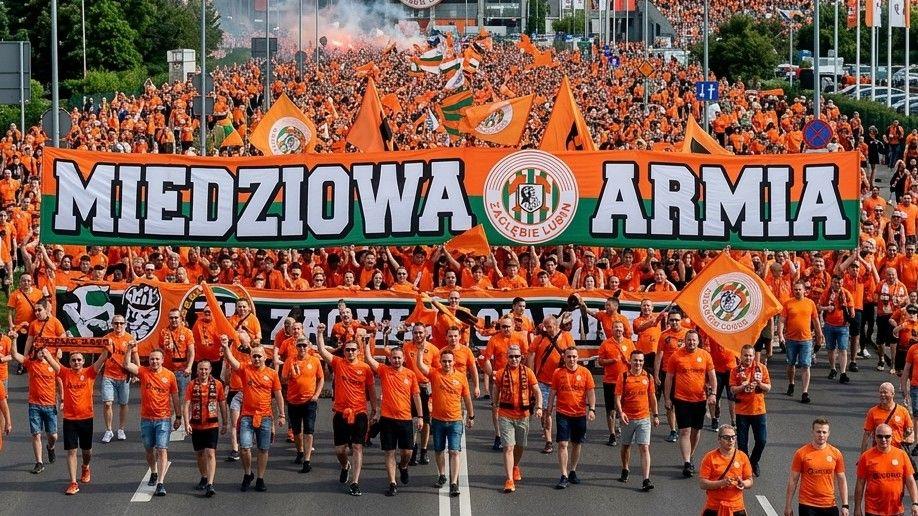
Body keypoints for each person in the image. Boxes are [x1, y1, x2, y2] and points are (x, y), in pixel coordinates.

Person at [316, 323, 377, 497]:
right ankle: (345, 466)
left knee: (357, 447)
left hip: (359, 413)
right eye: (347, 350)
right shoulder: (338, 363)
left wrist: (375, 409)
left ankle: (355, 482)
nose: (350, 352)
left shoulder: (365, 369)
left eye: (353, 350)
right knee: (340, 450)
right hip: (341, 413)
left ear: (358, 351)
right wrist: (319, 333)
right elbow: (322, 351)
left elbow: (372, 391)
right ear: (344, 351)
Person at [362, 332, 423, 497]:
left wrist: (421, 417)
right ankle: (392, 483)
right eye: (393, 357)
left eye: (399, 358)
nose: (396, 360)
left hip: (405, 419)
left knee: (407, 453)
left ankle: (403, 467)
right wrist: (366, 343)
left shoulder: (410, 375)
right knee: (389, 452)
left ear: (403, 359)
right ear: (389, 359)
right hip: (387, 420)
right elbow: (368, 359)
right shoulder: (384, 370)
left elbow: (416, 395)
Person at [43, 346, 109, 495]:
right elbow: (51, 360)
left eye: (79, 360)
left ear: (83, 361)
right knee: (71, 451)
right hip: (69, 419)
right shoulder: (65, 373)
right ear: (70, 362)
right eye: (73, 360)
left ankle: (85, 466)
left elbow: (103, 357)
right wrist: (45, 349)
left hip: (86, 418)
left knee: (87, 451)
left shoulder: (90, 372)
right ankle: (73, 482)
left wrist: (106, 347)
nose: (76, 362)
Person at [222, 337, 285, 493]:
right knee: (244, 448)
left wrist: (282, 415)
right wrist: (225, 347)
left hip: (265, 417)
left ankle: (260, 478)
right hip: (247, 416)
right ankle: (248, 473)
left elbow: (278, 395)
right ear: (251, 357)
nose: (256, 358)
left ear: (265, 357)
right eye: (254, 356)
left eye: (259, 356)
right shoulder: (246, 369)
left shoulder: (272, 374)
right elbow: (232, 361)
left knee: (263, 449)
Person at [416, 341, 475, 498]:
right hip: (438, 420)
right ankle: (442, 474)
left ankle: (454, 482)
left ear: (454, 362)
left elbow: (467, 398)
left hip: (455, 420)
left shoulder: (461, 377)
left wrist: (471, 415)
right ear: (440, 362)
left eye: (449, 361)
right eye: (444, 361)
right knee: (439, 450)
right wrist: (421, 352)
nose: (447, 364)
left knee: (455, 451)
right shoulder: (435, 374)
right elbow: (421, 367)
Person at [122, 344, 181, 497]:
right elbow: (127, 364)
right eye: (151, 359)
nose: (154, 362)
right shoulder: (143, 372)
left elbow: (175, 396)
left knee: (161, 449)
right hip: (146, 418)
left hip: (163, 418)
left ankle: (160, 483)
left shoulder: (169, 376)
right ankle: (153, 472)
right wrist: (129, 349)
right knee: (149, 448)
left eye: (157, 359)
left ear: (162, 360)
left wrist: (179, 417)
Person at [664, 330, 717, 478]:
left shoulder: (705, 355)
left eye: (694, 340)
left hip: (700, 399)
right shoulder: (676, 356)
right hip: (681, 399)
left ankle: (691, 454)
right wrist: (667, 398)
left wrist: (713, 394)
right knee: (685, 431)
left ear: (698, 341)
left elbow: (712, 376)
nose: (691, 342)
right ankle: (687, 462)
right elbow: (669, 378)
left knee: (696, 431)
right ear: (685, 340)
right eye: (689, 340)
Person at [491, 344, 542, 493]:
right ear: (507, 357)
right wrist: (495, 405)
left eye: (517, 356)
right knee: (508, 447)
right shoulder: (501, 373)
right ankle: (509, 480)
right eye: (511, 356)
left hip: (523, 416)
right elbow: (496, 389)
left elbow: (537, 391)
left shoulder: (528, 372)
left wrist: (539, 407)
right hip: (505, 415)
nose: (514, 359)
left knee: (520, 446)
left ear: (521, 357)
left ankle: (515, 466)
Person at [7, 329, 59, 474]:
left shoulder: (53, 365)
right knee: (36, 434)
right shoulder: (31, 363)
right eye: (39, 350)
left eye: (43, 350)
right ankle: (39, 462)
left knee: (53, 435)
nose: (41, 352)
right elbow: (15, 356)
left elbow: (60, 379)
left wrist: (62, 399)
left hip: (50, 404)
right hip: (34, 405)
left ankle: (51, 447)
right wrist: (14, 340)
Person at [545, 346, 596, 489]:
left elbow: (590, 392)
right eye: (569, 357)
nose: (572, 359)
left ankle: (572, 470)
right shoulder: (558, 373)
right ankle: (563, 475)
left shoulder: (585, 372)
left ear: (577, 357)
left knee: (576, 443)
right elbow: (553, 393)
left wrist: (591, 409)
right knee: (563, 444)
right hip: (563, 413)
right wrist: (548, 410)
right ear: (564, 357)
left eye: (574, 356)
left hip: (579, 414)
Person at [528, 314, 574, 454]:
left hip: (563, 381)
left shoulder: (566, 336)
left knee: (566, 410)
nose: (547, 329)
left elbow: (573, 354)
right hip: (543, 380)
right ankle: (548, 441)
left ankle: (566, 434)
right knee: (546, 412)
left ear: (556, 325)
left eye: (549, 326)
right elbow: (531, 353)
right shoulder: (540, 338)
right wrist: (531, 374)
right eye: (545, 326)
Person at [783, 417, 848, 516]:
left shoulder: (836, 453)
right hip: (808, 505)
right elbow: (793, 480)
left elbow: (842, 480)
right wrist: (788, 505)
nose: (821, 435)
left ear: (828, 433)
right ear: (812, 432)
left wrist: (845, 505)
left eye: (824, 432)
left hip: (829, 504)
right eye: (818, 432)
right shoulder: (801, 453)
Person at [182, 360, 228, 498]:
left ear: (210, 370)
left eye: (206, 369)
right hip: (196, 424)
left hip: (211, 425)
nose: (203, 372)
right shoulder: (191, 385)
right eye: (201, 369)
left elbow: (222, 404)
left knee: (210, 453)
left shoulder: (218, 384)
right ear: (197, 370)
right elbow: (186, 404)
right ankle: (203, 476)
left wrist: (225, 423)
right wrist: (186, 423)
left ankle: (210, 484)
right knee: (199, 454)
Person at [615, 350, 659, 491]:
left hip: (644, 418)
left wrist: (656, 415)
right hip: (628, 418)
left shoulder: (648, 377)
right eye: (635, 360)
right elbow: (617, 397)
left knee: (644, 447)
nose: (638, 363)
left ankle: (646, 479)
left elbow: (652, 397)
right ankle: (625, 468)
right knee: (626, 446)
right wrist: (621, 413)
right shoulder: (623, 377)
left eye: (640, 360)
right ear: (630, 361)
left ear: (643, 362)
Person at [483, 315, 529, 451]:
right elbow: (486, 359)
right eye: (503, 326)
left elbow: (526, 356)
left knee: (518, 405)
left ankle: (513, 433)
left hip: (517, 378)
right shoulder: (494, 339)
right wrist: (492, 374)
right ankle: (498, 435)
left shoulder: (520, 338)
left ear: (513, 326)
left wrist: (525, 372)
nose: (506, 329)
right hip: (500, 378)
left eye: (508, 326)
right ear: (500, 327)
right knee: (496, 407)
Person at [854, 424, 918, 516]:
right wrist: (857, 508)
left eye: (887, 436)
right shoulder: (866, 457)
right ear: (874, 437)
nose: (883, 439)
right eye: (880, 436)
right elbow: (860, 483)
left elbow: (910, 481)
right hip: (873, 511)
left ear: (892, 437)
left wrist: (915, 503)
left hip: (896, 510)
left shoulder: (902, 455)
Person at [281, 336, 323, 473]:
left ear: (309, 347)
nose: (302, 348)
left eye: (305, 345)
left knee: (309, 430)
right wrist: (290, 375)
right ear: (296, 347)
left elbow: (321, 378)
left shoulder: (315, 361)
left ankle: (307, 460)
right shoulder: (290, 360)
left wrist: (316, 395)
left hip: (309, 401)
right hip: (293, 401)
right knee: (296, 431)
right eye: (300, 346)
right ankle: (299, 451)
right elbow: (283, 379)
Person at [778, 281, 824, 402]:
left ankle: (805, 392)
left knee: (805, 365)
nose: (797, 291)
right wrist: (780, 336)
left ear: (804, 291)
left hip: (806, 339)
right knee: (791, 364)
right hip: (791, 339)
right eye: (795, 289)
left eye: (799, 289)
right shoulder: (788, 303)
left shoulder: (810, 303)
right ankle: (791, 383)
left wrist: (819, 335)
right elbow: (782, 320)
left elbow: (815, 321)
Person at [729, 344, 771, 478]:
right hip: (742, 411)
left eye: (750, 355)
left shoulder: (761, 368)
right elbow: (732, 390)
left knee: (762, 440)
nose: (748, 358)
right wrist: (743, 385)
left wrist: (759, 384)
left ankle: (753, 462)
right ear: (741, 356)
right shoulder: (735, 371)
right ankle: (745, 468)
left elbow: (768, 387)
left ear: (754, 356)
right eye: (745, 355)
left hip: (758, 410)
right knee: (742, 444)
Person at [403, 322, 439, 466]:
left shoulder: (433, 350)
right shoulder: (406, 347)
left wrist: (433, 386)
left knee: (425, 421)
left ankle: (423, 451)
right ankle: (413, 450)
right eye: (415, 333)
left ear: (426, 333)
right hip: (411, 388)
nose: (418, 335)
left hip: (426, 388)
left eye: (420, 332)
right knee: (412, 420)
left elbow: (437, 371)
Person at [699, 424, 754, 516]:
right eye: (726, 437)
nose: (731, 440)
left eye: (733, 437)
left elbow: (749, 480)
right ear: (719, 440)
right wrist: (721, 483)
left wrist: (743, 483)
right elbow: (702, 483)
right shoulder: (710, 457)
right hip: (714, 507)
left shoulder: (742, 456)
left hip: (737, 507)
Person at [101, 315, 139, 443]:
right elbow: (102, 356)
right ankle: (108, 430)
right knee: (107, 403)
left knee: (123, 403)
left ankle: (121, 429)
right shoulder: (107, 338)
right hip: (108, 375)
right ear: (112, 324)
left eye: (121, 323)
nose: (118, 326)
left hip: (123, 375)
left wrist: (137, 372)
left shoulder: (129, 338)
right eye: (116, 323)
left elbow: (135, 356)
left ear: (125, 324)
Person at [598, 320, 635, 446]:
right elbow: (600, 361)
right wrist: (611, 361)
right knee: (611, 409)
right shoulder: (606, 344)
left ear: (623, 330)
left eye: (620, 328)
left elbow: (636, 362)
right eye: (616, 328)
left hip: (625, 380)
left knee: (626, 407)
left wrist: (628, 362)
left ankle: (626, 431)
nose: (618, 330)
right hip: (610, 380)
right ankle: (612, 434)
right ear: (612, 330)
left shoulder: (629, 343)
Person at [860, 382, 914, 455]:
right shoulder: (873, 412)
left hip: (898, 453)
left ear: (892, 394)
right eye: (881, 392)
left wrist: (909, 437)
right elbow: (867, 435)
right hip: (879, 452)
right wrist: (862, 456)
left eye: (885, 392)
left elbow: (910, 429)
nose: (882, 395)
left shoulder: (902, 411)